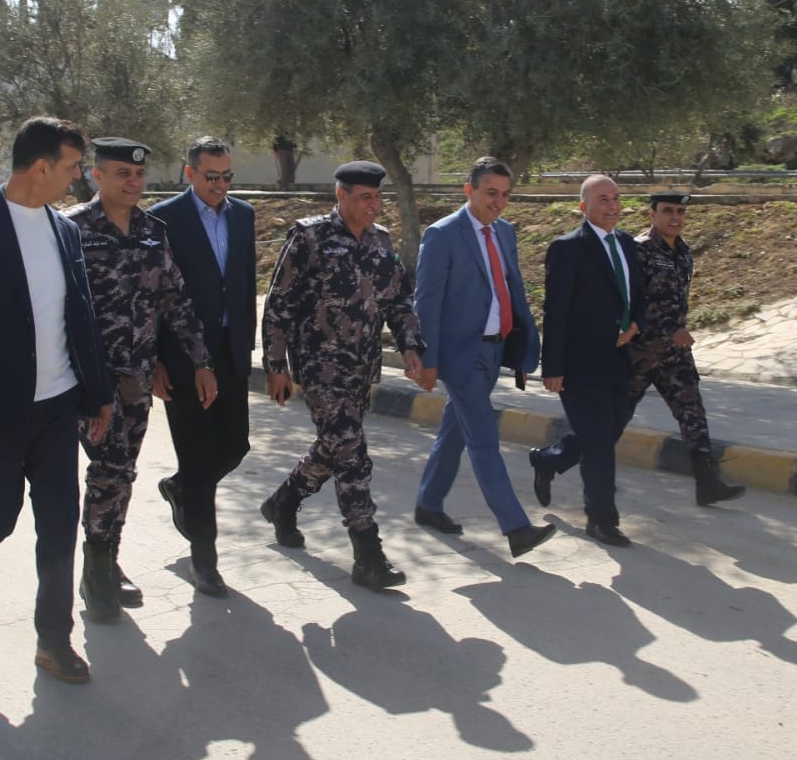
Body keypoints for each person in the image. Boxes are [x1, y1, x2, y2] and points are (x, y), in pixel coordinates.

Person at [0, 117, 115, 685]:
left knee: (59, 526)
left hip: (58, 406)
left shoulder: (64, 231)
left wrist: (98, 392)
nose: (77, 176)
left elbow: (80, 316)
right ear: (40, 167)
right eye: (72, 166)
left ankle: (53, 642)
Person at [260, 161, 428, 590]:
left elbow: (399, 302)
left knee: (334, 447)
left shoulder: (381, 241)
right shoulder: (309, 237)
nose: (374, 205)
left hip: (361, 366)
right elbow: (279, 305)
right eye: (365, 197)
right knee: (352, 452)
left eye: (377, 197)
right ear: (341, 195)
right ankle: (367, 554)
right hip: (319, 366)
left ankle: (284, 501)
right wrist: (276, 366)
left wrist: (411, 347)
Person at [67, 138, 215, 620]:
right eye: (121, 174)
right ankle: (96, 569)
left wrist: (201, 360)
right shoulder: (71, 229)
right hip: (90, 377)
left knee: (124, 468)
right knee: (109, 466)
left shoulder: (153, 231)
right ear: (97, 176)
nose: (132, 182)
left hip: (138, 374)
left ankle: (108, 557)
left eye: (138, 175)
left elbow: (175, 299)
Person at [530, 191, 745, 508]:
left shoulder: (684, 252)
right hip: (637, 354)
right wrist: (668, 327)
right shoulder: (638, 249)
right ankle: (550, 459)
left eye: (680, 212)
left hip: (673, 355)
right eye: (668, 211)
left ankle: (707, 483)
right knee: (608, 428)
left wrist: (675, 331)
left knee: (693, 414)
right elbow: (634, 300)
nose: (675, 218)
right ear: (652, 214)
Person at [411, 158, 555, 558]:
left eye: (505, 195)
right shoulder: (442, 234)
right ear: (469, 190)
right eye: (491, 193)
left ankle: (428, 503)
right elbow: (426, 302)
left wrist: (521, 344)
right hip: (461, 354)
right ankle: (516, 527)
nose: (498, 202)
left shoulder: (504, 231)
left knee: (455, 429)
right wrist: (428, 359)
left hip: (496, 348)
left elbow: (511, 289)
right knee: (483, 435)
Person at [150, 137, 257, 597]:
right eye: (211, 176)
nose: (220, 185)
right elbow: (152, 294)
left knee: (234, 446)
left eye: (227, 176)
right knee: (197, 456)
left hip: (231, 353)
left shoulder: (243, 215)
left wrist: (251, 348)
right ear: (189, 172)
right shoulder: (162, 219)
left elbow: (245, 283)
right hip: (182, 357)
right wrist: (156, 359)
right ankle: (204, 560)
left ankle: (180, 488)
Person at [537, 174, 643, 547]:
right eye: (603, 200)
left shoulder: (626, 243)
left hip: (619, 359)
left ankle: (550, 460)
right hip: (580, 363)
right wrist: (552, 366)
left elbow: (636, 294)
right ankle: (601, 520)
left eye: (616, 198)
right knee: (598, 444)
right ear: (583, 207)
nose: (612, 206)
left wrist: (635, 324)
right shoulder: (568, 249)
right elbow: (556, 311)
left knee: (607, 431)